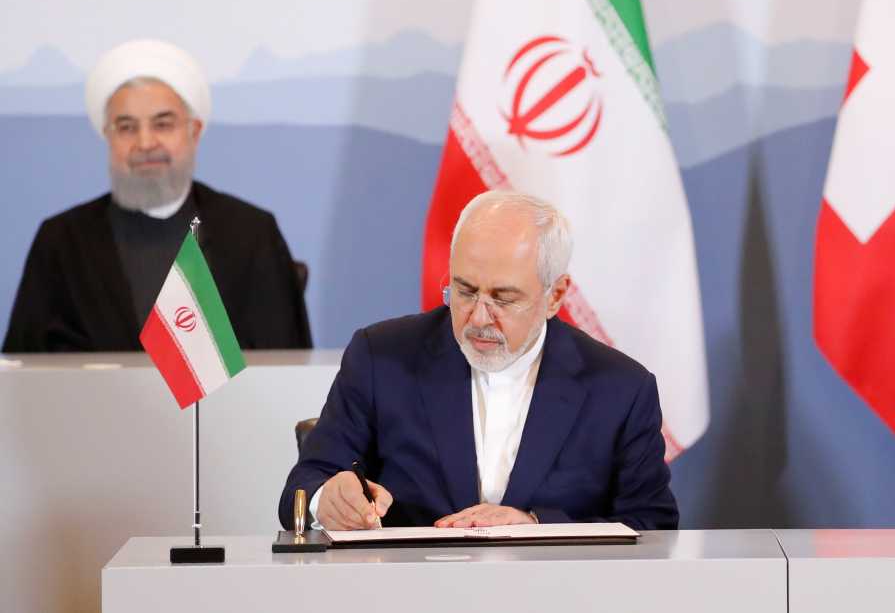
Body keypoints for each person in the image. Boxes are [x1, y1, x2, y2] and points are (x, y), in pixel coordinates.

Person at [279, 190, 677, 531]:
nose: (479, 318)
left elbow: (652, 524)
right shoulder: (381, 357)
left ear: (555, 296)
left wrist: (536, 527)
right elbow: (305, 484)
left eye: (503, 298)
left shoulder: (620, 388)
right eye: (465, 292)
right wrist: (324, 500)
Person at [3, 39, 310, 352]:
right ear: (108, 136)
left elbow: (286, 371)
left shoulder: (251, 233)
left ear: (195, 130)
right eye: (126, 127)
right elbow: (21, 376)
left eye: (163, 124)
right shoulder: (61, 241)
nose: (145, 143)